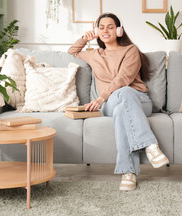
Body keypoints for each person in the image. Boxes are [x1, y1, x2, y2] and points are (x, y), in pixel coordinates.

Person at [68, 13, 169, 191]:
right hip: (110, 103)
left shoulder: (131, 50)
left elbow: (124, 78)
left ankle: (128, 172)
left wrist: (100, 98)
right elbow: (73, 52)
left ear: (119, 30)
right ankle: (150, 146)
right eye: (101, 27)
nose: (106, 30)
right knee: (120, 103)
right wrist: (85, 38)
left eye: (111, 26)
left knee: (122, 105)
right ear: (97, 31)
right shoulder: (94, 55)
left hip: (139, 100)